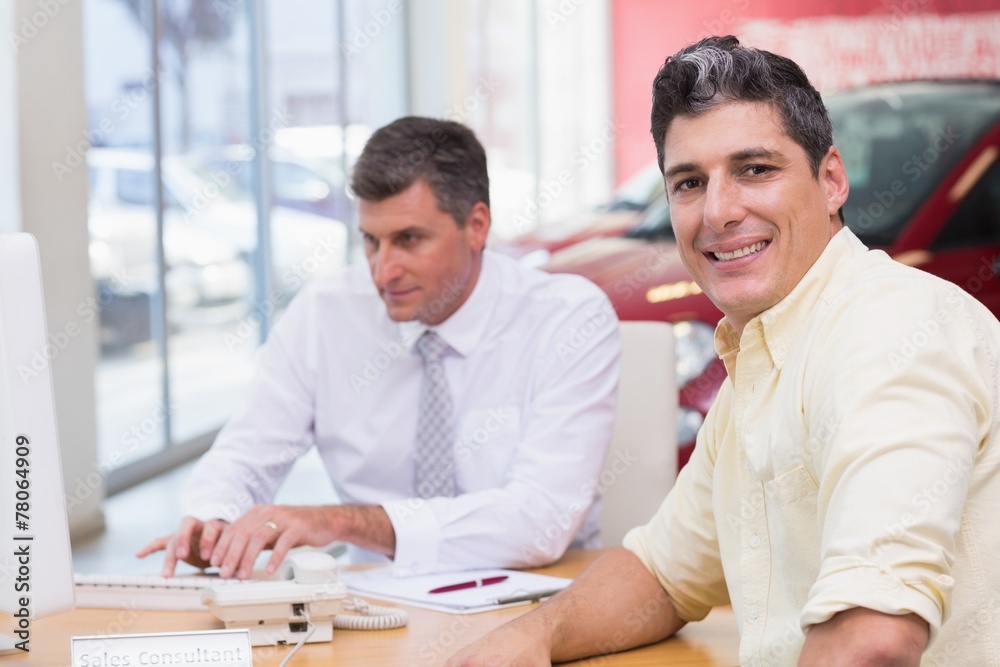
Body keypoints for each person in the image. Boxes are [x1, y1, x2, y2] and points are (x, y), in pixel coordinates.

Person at [447, 35, 1000, 667]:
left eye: (754, 170)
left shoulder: (891, 328)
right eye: (689, 183)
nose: (717, 211)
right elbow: (661, 575)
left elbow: (871, 640)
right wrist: (528, 637)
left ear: (831, 180)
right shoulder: (768, 349)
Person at [137, 116, 621, 580]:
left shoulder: (567, 319)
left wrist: (341, 522)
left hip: (540, 596)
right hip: (378, 600)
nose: (383, 271)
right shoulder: (325, 314)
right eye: (371, 241)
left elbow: (540, 520)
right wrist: (215, 520)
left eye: (409, 239)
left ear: (476, 226)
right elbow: (244, 454)